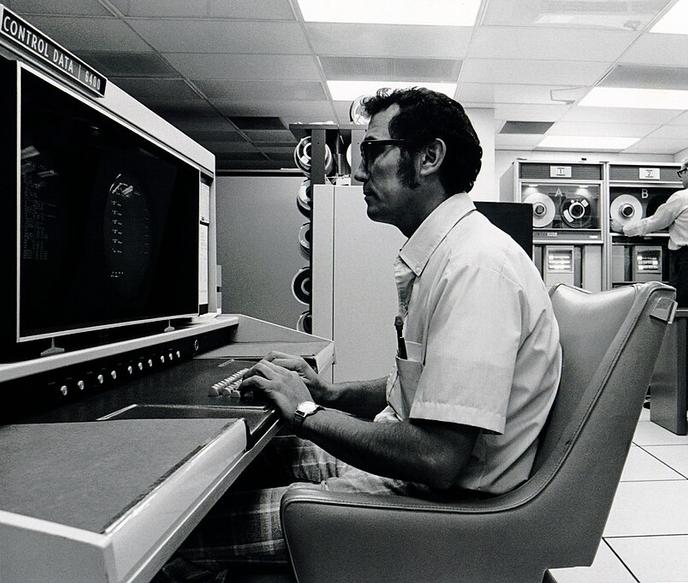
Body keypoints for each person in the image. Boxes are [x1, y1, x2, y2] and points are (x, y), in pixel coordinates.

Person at [156, 87, 562, 581]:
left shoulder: (475, 269)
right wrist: (327, 393)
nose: (359, 172)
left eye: (372, 150)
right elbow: (419, 394)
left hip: (436, 508)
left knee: (179, 535)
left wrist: (306, 412)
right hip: (412, 481)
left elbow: (437, 457)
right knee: (242, 466)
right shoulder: (451, 256)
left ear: (429, 157)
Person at [611, 155, 688, 307]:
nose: (680, 179)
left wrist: (623, 228)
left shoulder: (683, 197)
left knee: (684, 309)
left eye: (680, 173)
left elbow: (655, 222)